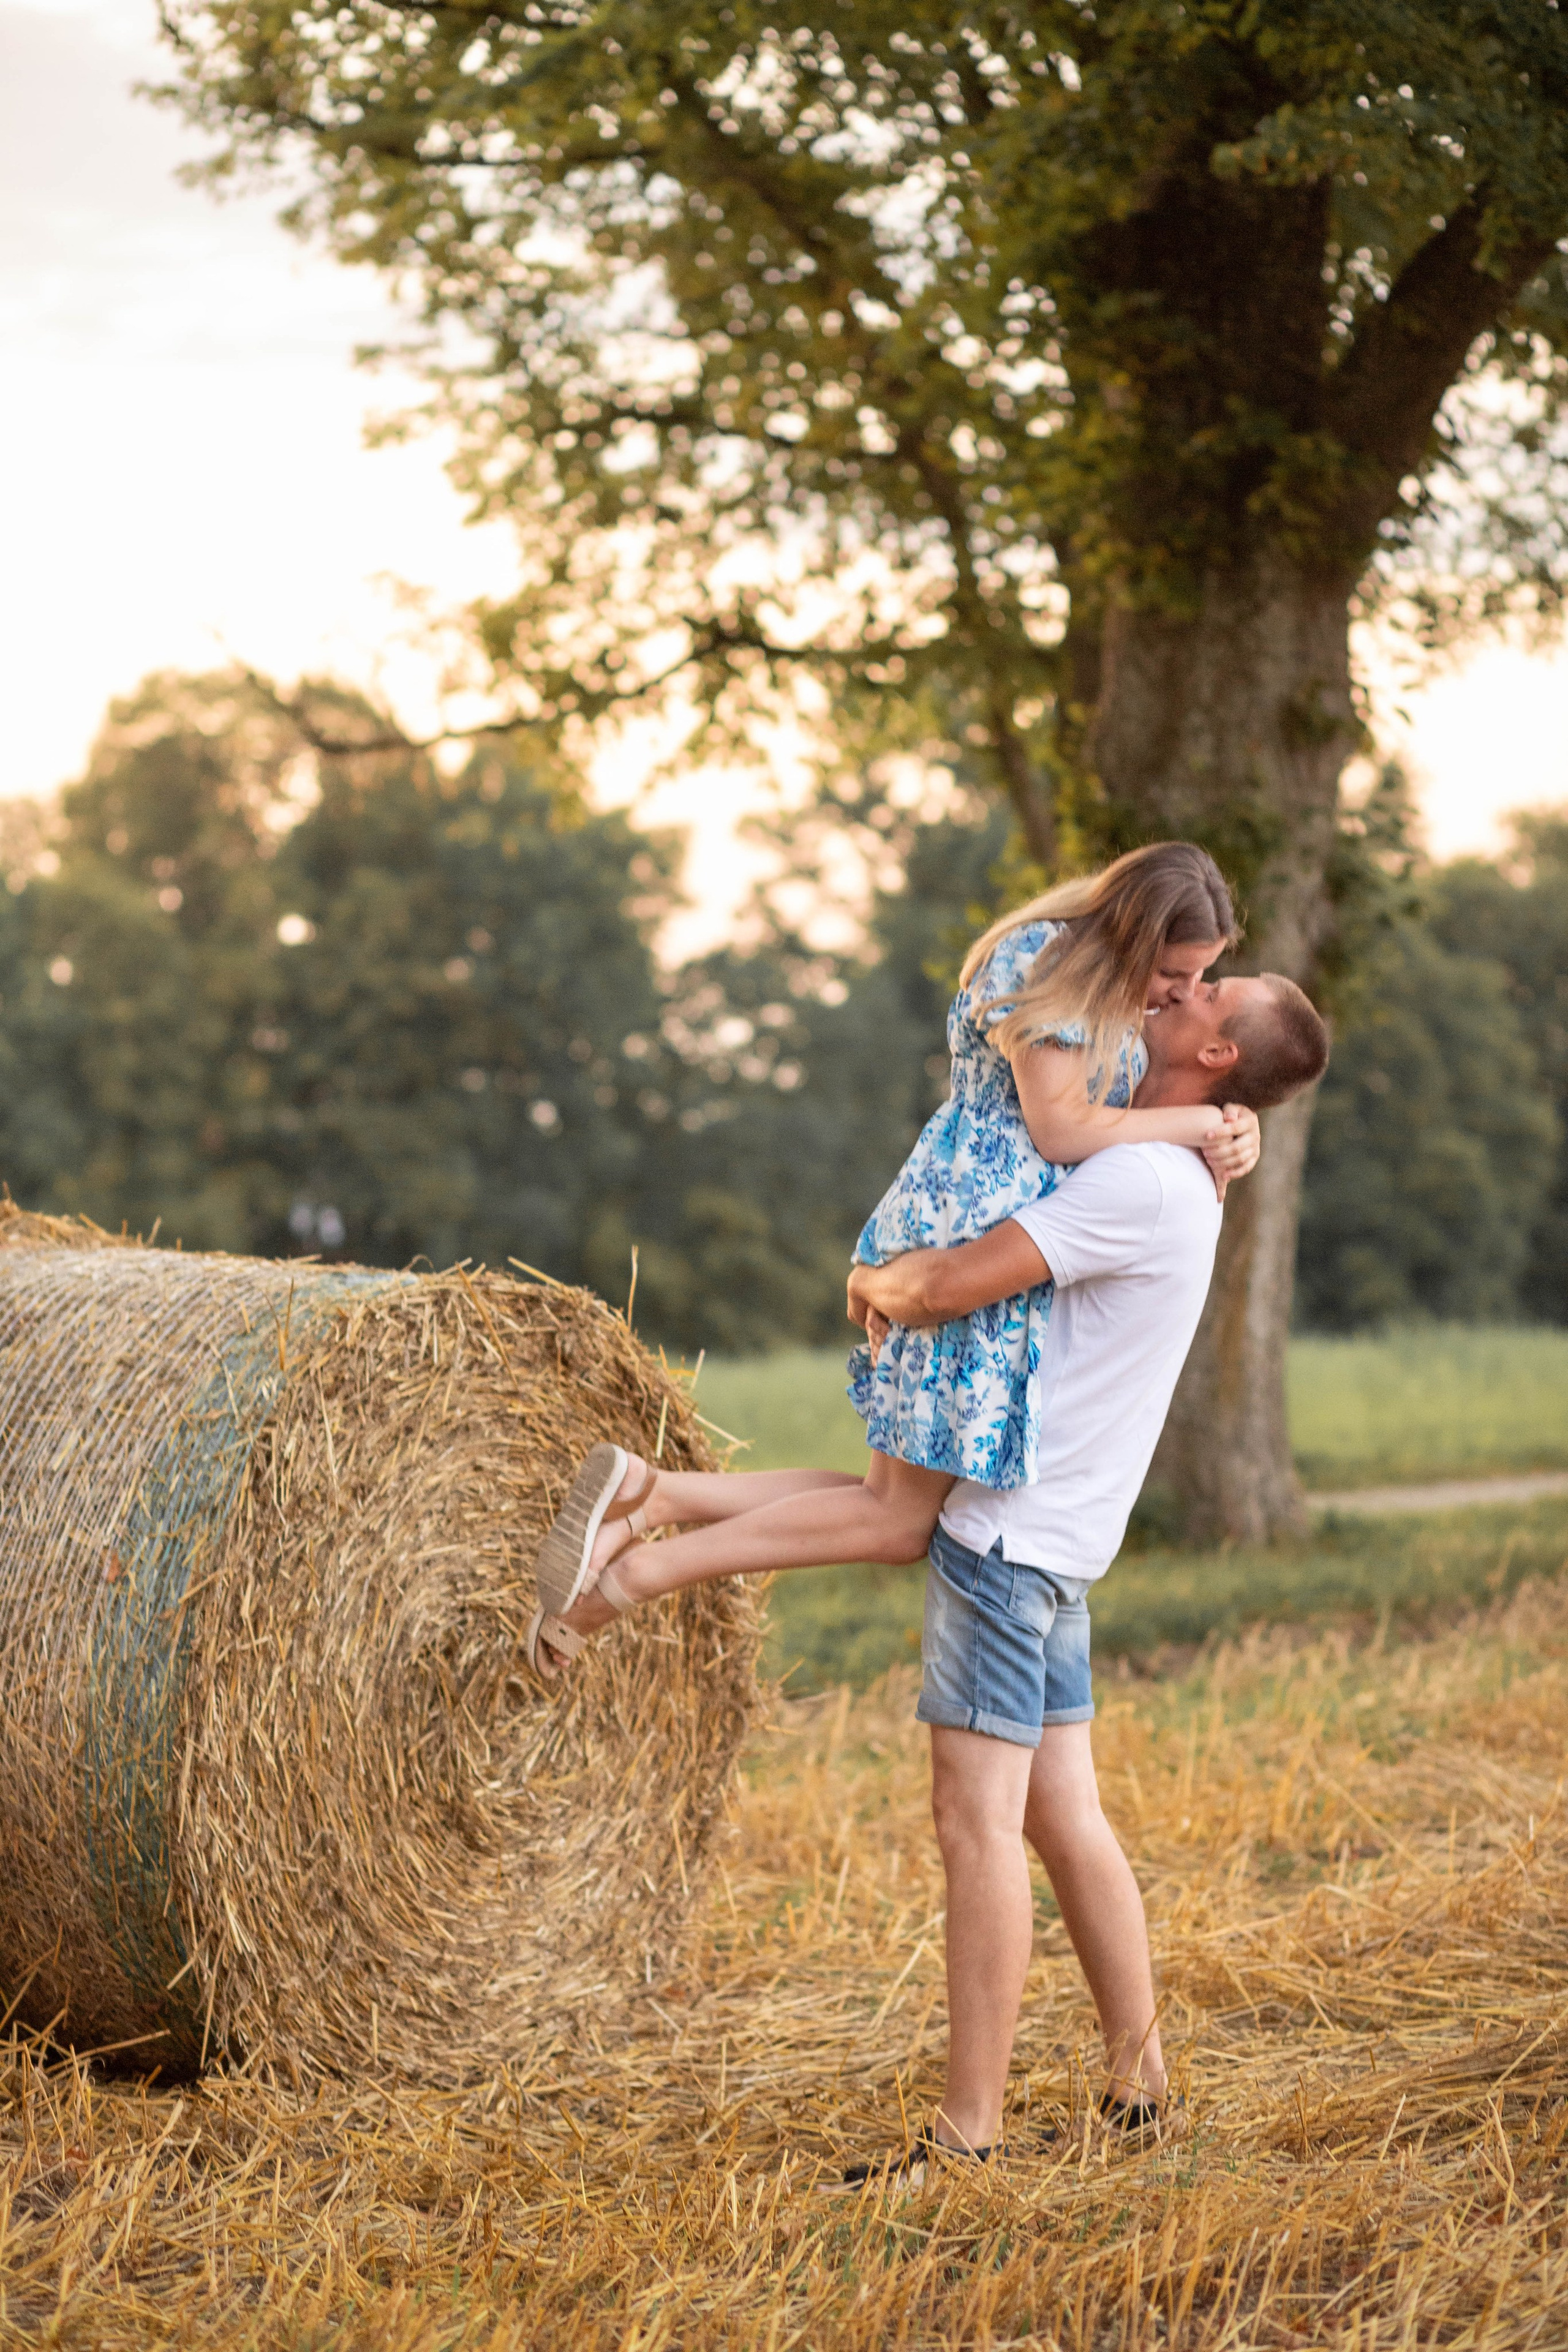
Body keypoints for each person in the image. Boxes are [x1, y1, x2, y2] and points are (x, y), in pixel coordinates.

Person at [526, 843, 1259, 1675]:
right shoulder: (1044, 961)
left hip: (1002, 1256)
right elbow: (1060, 1128)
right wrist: (1196, 1127)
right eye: (1177, 972)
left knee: (896, 1504)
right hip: (969, 1236)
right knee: (898, 1519)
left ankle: (649, 1498)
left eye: (1199, 981)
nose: (1183, 995)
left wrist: (1239, 1125)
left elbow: (1141, 1102)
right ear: (1134, 931)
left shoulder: (1114, 990)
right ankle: (632, 1571)